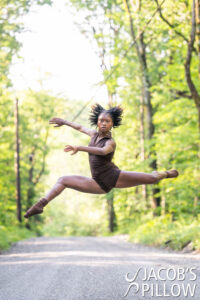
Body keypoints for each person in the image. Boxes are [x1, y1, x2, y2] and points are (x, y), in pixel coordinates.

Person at [24, 103, 179, 218]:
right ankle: (40, 205)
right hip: (98, 183)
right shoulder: (93, 135)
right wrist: (64, 122)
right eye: (101, 120)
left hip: (114, 176)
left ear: (112, 124)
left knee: (152, 179)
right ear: (97, 122)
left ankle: (165, 173)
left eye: (107, 121)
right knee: (63, 180)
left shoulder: (110, 142)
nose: (103, 123)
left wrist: (80, 147)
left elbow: (102, 151)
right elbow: (79, 127)